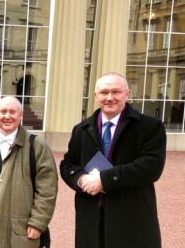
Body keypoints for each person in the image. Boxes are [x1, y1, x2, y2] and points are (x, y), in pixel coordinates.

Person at [60, 72, 166, 248]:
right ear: (96, 96)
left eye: (116, 92)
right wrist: (81, 178)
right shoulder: (81, 129)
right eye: (104, 92)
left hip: (131, 218)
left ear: (127, 94)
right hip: (91, 218)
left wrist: (104, 180)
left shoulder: (149, 127)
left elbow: (151, 167)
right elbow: (68, 164)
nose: (109, 97)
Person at [0, 96, 57, 248]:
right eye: (3, 112)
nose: (7, 116)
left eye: (12, 112)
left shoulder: (37, 146)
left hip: (20, 232)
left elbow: (47, 190)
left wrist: (38, 222)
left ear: (21, 115)